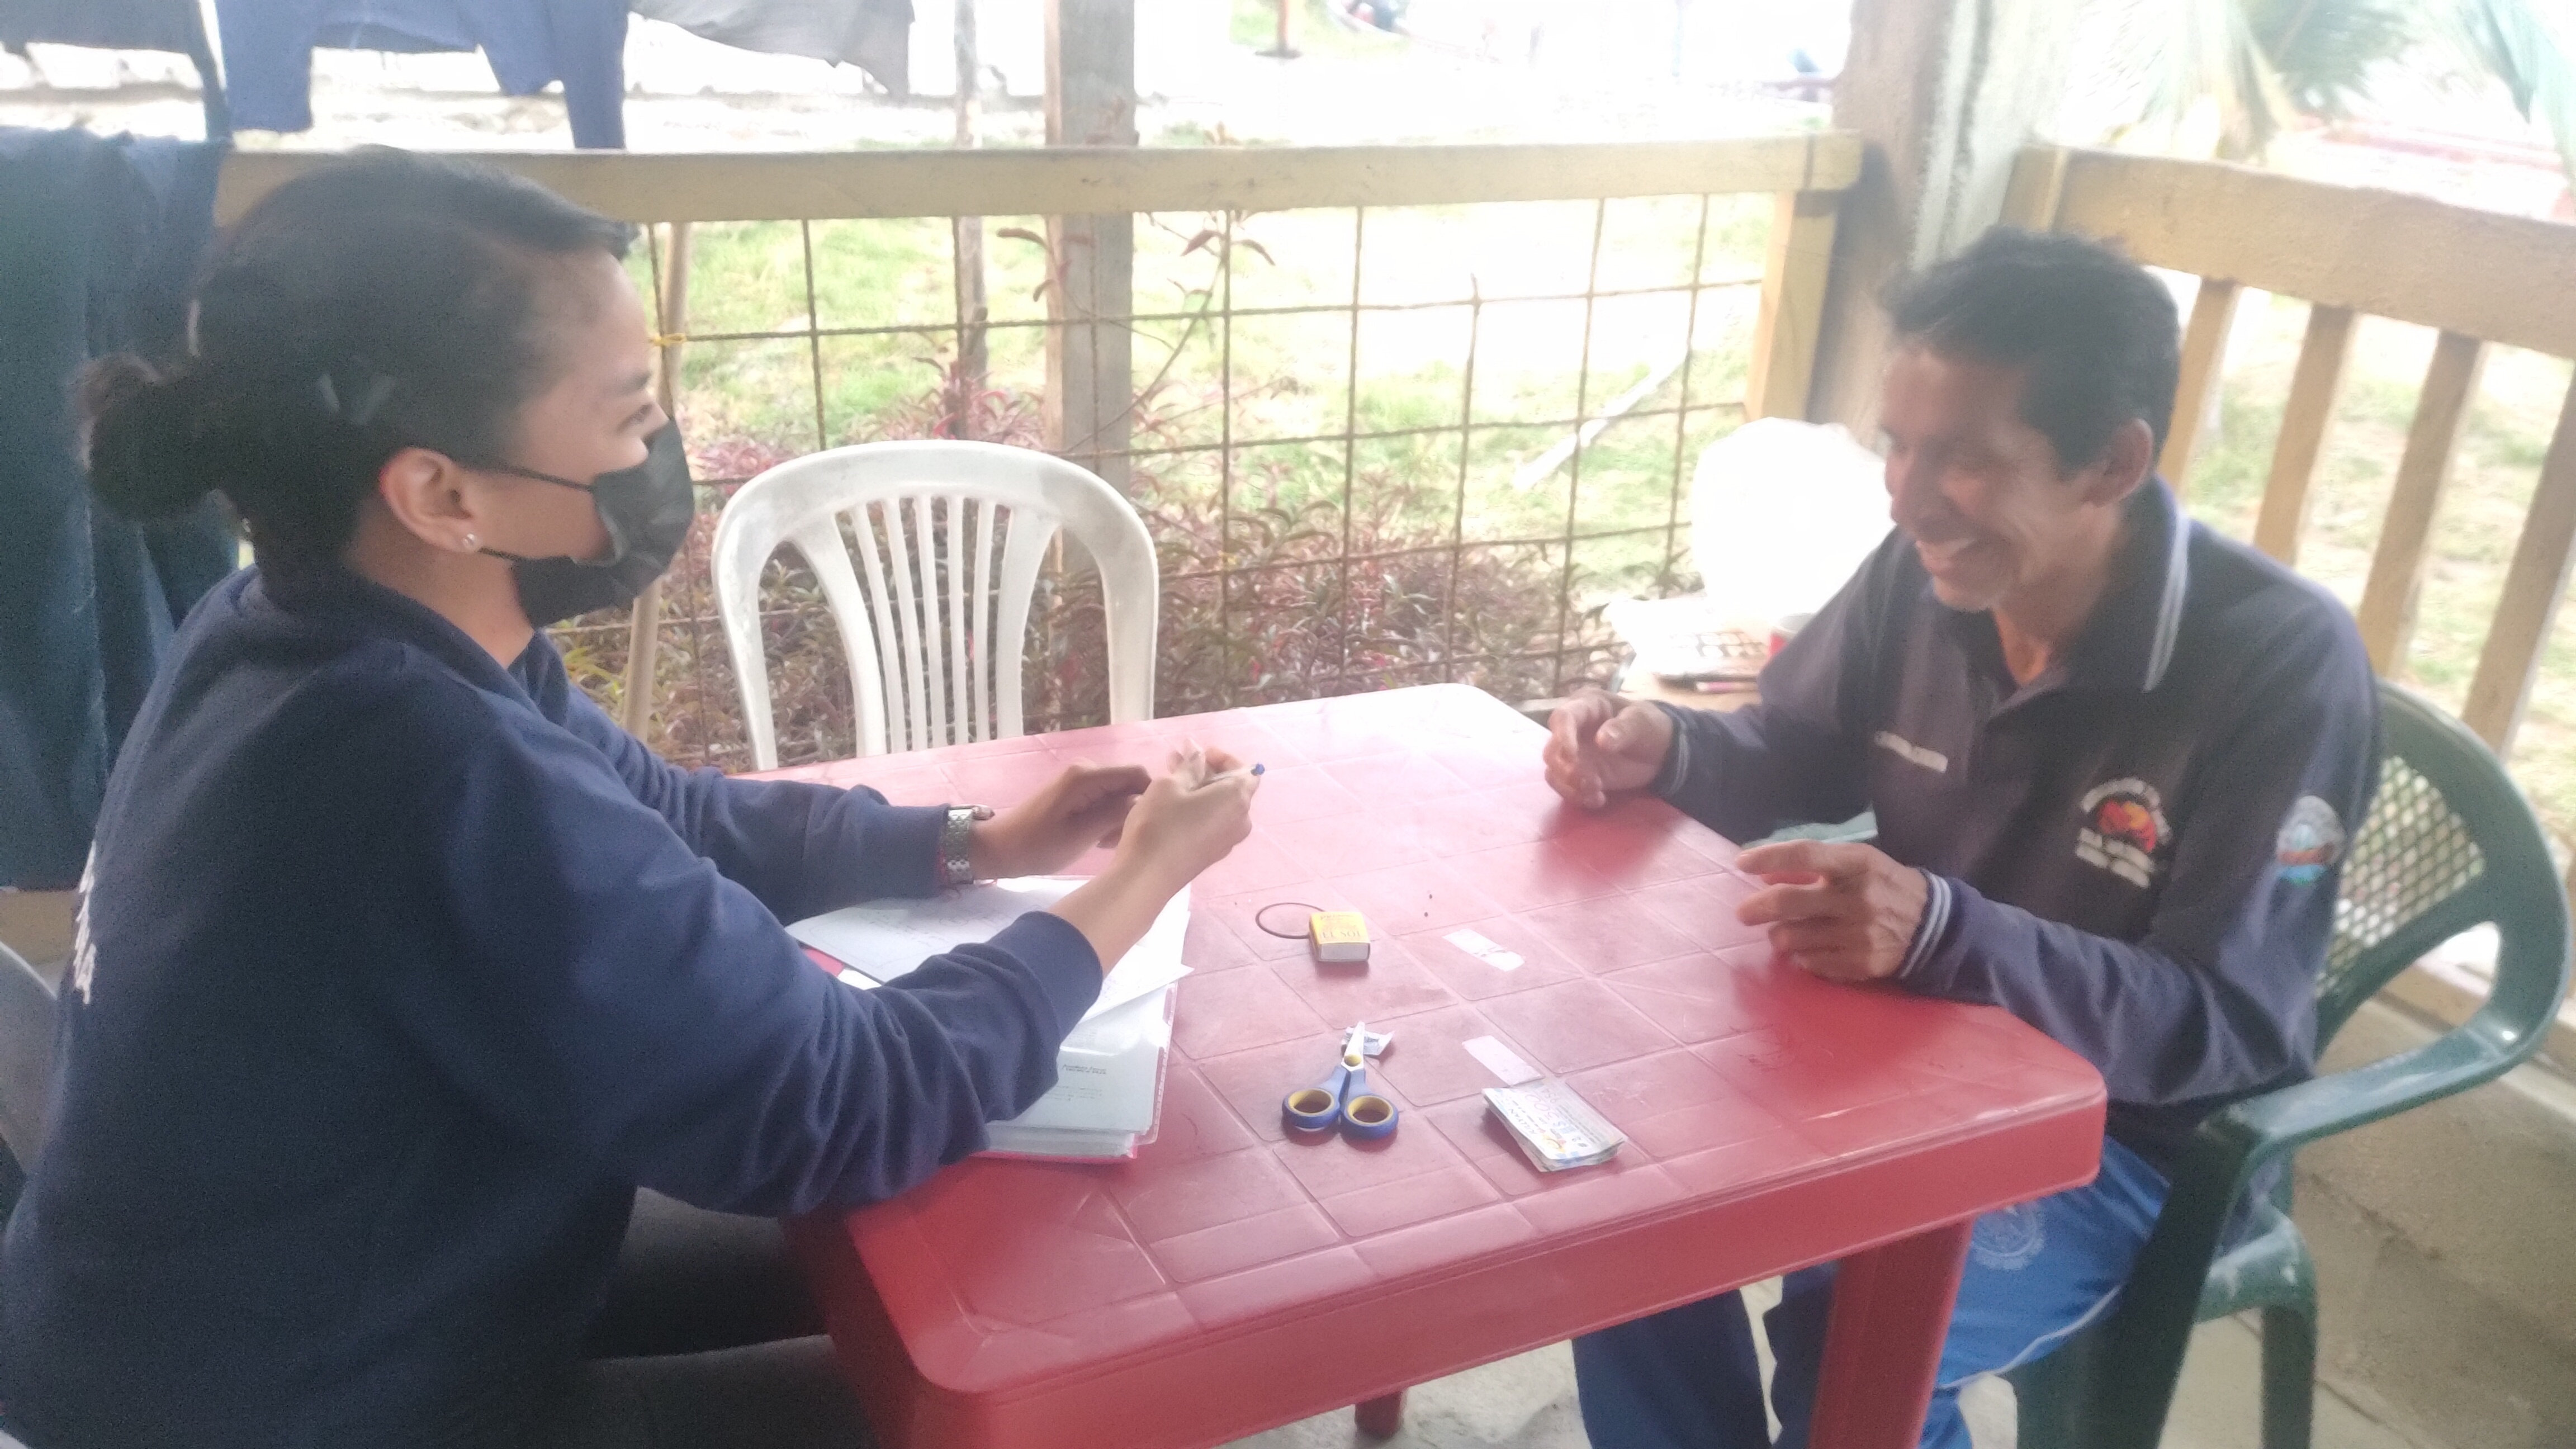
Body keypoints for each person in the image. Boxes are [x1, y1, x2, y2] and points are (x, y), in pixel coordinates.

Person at [0, 149, 1258, 1449]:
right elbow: (847, 1105)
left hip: (323, 1301)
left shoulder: (298, 626)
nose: (660, 450)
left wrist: (970, 843)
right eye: (628, 417)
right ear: (442, 493)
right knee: (1026, 1408)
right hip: (318, 1407)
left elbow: (672, 816)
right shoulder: (432, 774)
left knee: (919, 1270)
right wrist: (1137, 884)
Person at [1542, 228, 2378, 1449]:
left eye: (1967, 459)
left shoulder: (2279, 662)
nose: (1908, 494)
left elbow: (2229, 1022)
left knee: (1863, 1335)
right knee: (1616, 1196)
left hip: (2129, 1138)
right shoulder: (1927, 569)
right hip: (1914, 1049)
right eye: (1900, 442)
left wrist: (1943, 932)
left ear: (2113, 461)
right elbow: (1794, 748)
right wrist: (1663, 750)